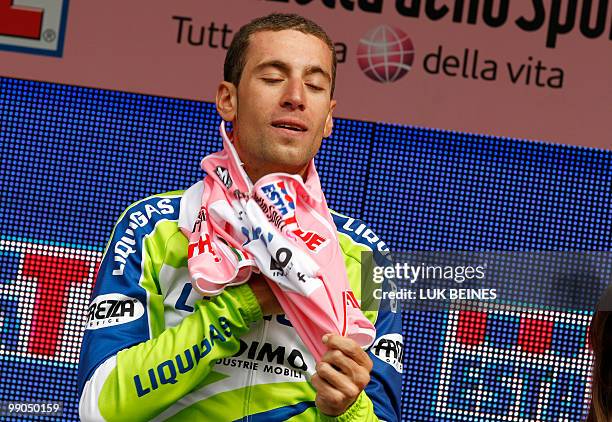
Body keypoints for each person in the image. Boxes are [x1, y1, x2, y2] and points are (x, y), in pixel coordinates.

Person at [77, 13, 402, 421]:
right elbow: (99, 409)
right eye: (272, 78)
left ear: (329, 116)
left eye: (315, 85)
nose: (296, 96)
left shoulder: (363, 257)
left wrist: (348, 409)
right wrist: (241, 306)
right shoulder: (153, 227)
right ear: (228, 99)